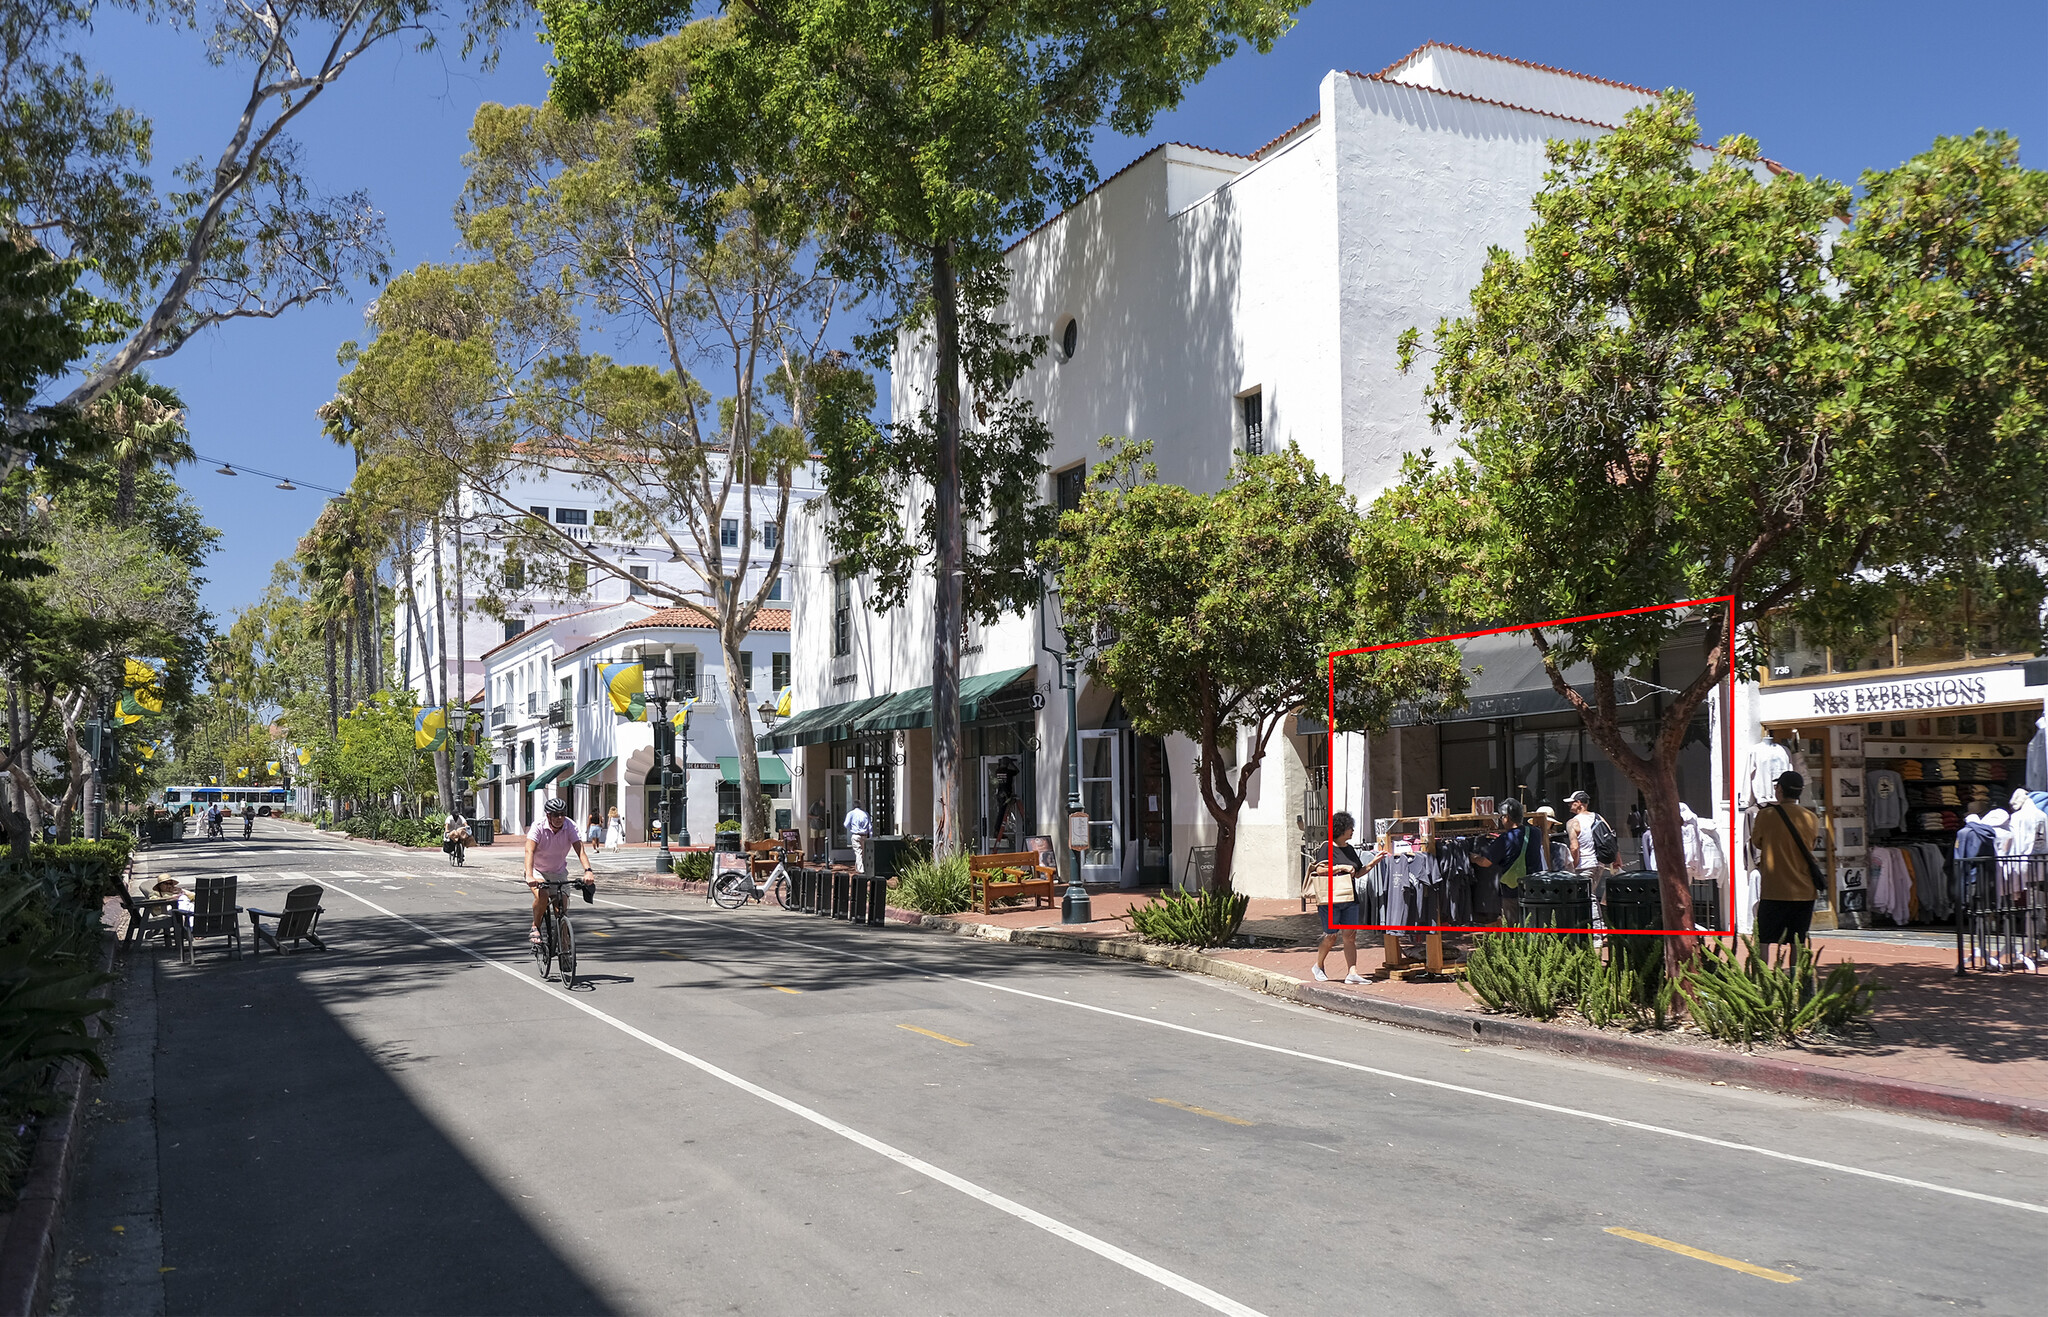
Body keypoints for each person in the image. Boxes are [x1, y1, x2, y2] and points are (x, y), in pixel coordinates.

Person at [1752, 770, 1823, 946]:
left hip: (1774, 889)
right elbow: (1811, 846)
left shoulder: (1765, 815)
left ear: (1780, 789)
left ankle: (1762, 973)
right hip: (1804, 890)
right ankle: (1794, 974)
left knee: (1764, 940)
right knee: (1797, 942)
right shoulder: (1811, 817)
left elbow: (1757, 842)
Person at [1311, 812, 1383, 984]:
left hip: (1350, 898)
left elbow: (1357, 873)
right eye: (1350, 828)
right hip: (1331, 900)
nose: (1352, 831)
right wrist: (1340, 867)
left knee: (1350, 936)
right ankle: (1318, 966)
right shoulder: (1327, 848)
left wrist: (1372, 864)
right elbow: (1320, 870)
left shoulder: (1350, 849)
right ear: (1341, 829)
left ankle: (1352, 973)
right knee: (1330, 936)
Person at [524, 798, 596, 944]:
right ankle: (535, 927)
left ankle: (565, 945)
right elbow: (529, 851)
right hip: (538, 871)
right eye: (555, 814)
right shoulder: (538, 826)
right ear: (548, 815)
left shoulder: (570, 826)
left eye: (562, 814)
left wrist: (588, 871)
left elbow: (580, 850)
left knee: (561, 910)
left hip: (558, 872)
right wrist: (530, 875)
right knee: (542, 896)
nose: (559, 818)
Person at [1472, 799, 1532, 926]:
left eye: (1501, 816)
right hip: (1533, 888)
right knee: (1531, 924)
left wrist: (1473, 858)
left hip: (1512, 890)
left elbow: (1485, 862)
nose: (1501, 820)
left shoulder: (1504, 839)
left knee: (1513, 927)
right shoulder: (1535, 833)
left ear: (1507, 817)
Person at [1565, 790, 1616, 924]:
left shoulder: (1573, 822)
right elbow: (1610, 839)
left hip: (1584, 865)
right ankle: (1596, 929)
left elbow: (1574, 847)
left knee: (1589, 897)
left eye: (1572, 803)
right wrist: (1616, 860)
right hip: (1599, 864)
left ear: (1579, 803)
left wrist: (1573, 866)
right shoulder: (1599, 817)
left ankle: (1597, 932)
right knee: (1590, 895)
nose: (1570, 806)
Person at [844, 798, 872, 874]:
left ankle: (861, 869)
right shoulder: (865, 814)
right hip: (865, 835)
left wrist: (852, 827)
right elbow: (870, 826)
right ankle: (861, 867)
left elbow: (845, 824)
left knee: (858, 852)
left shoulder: (851, 813)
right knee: (863, 853)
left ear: (853, 806)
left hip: (856, 835)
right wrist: (871, 837)